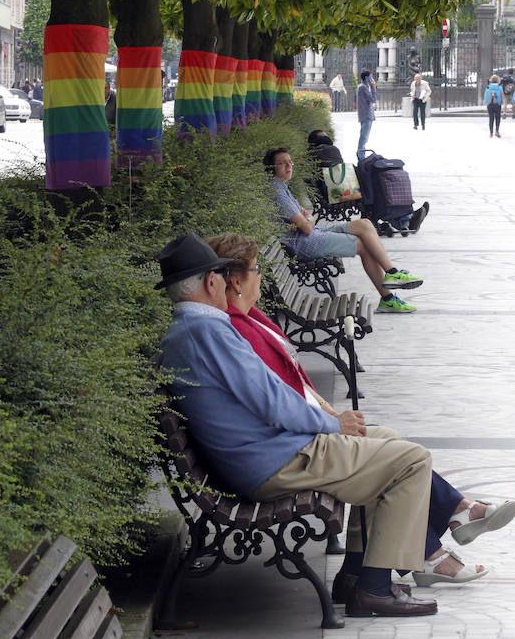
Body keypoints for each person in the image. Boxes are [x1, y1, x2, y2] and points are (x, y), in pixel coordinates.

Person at [157, 233, 515, 618]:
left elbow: (266, 398)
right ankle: (374, 589)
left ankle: (354, 576)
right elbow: (272, 401)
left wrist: (330, 425)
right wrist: (331, 423)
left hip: (265, 455)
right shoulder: (207, 331)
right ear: (212, 281)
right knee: (410, 460)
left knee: (386, 444)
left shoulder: (189, 331)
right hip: (277, 459)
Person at [264, 146, 421, 313]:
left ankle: (392, 273)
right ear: (271, 168)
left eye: (290, 162)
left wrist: (307, 220)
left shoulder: (281, 187)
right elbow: (307, 227)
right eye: (282, 163)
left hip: (314, 234)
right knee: (365, 246)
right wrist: (307, 220)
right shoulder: (277, 191)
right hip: (307, 243)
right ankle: (388, 298)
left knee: (365, 223)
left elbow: (307, 221)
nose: (289, 166)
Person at [356, 70, 376, 159]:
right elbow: (373, 99)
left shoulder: (364, 87)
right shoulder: (363, 87)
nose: (371, 79)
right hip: (366, 115)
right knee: (363, 137)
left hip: (368, 115)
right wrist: (373, 87)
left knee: (365, 137)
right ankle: (361, 155)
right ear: (366, 78)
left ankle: (362, 154)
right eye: (370, 77)